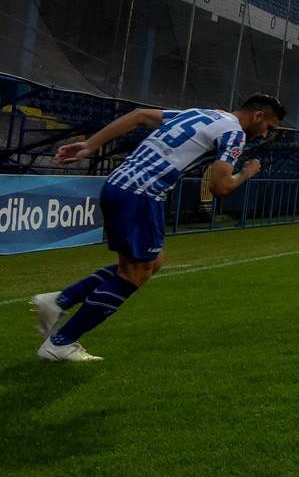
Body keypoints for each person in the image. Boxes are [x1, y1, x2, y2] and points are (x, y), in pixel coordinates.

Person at [30, 94, 283, 362]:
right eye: (269, 126)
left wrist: (90, 145)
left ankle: (59, 301)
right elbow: (219, 187)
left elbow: (139, 114)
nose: (266, 134)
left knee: (152, 262)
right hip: (142, 194)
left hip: (119, 184)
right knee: (134, 273)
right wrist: (246, 173)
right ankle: (60, 342)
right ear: (258, 116)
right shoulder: (234, 133)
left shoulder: (204, 112)